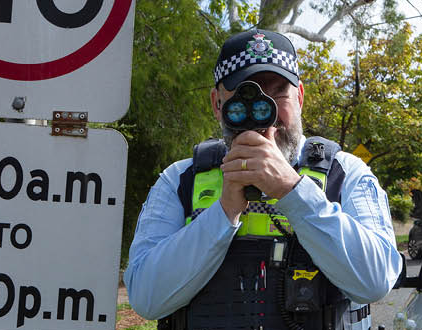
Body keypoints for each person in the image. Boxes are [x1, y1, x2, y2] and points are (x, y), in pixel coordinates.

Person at [123, 29, 403, 330]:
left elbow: (375, 282)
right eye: (246, 95)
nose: (265, 113)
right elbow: (145, 298)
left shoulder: (345, 173)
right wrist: (224, 211)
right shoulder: (180, 179)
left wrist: (291, 190)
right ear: (218, 104)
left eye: (278, 92)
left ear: (300, 97)